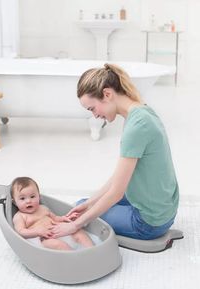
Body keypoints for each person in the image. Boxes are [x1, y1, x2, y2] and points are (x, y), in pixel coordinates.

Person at [51, 63, 179, 240]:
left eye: (92, 108)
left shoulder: (136, 127)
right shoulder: (141, 112)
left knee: (80, 216)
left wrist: (75, 225)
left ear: (107, 94)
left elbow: (117, 192)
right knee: (83, 206)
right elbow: (119, 178)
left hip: (149, 222)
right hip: (162, 207)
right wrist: (90, 202)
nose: (94, 115)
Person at [11, 177, 94, 250]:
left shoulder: (43, 208)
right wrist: (37, 232)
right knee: (57, 245)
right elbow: (21, 232)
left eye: (32, 196)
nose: (28, 201)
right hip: (45, 238)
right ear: (14, 202)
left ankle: (92, 250)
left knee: (78, 232)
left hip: (59, 230)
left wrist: (65, 218)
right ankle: (75, 257)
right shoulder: (20, 216)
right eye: (22, 198)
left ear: (39, 197)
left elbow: (55, 218)